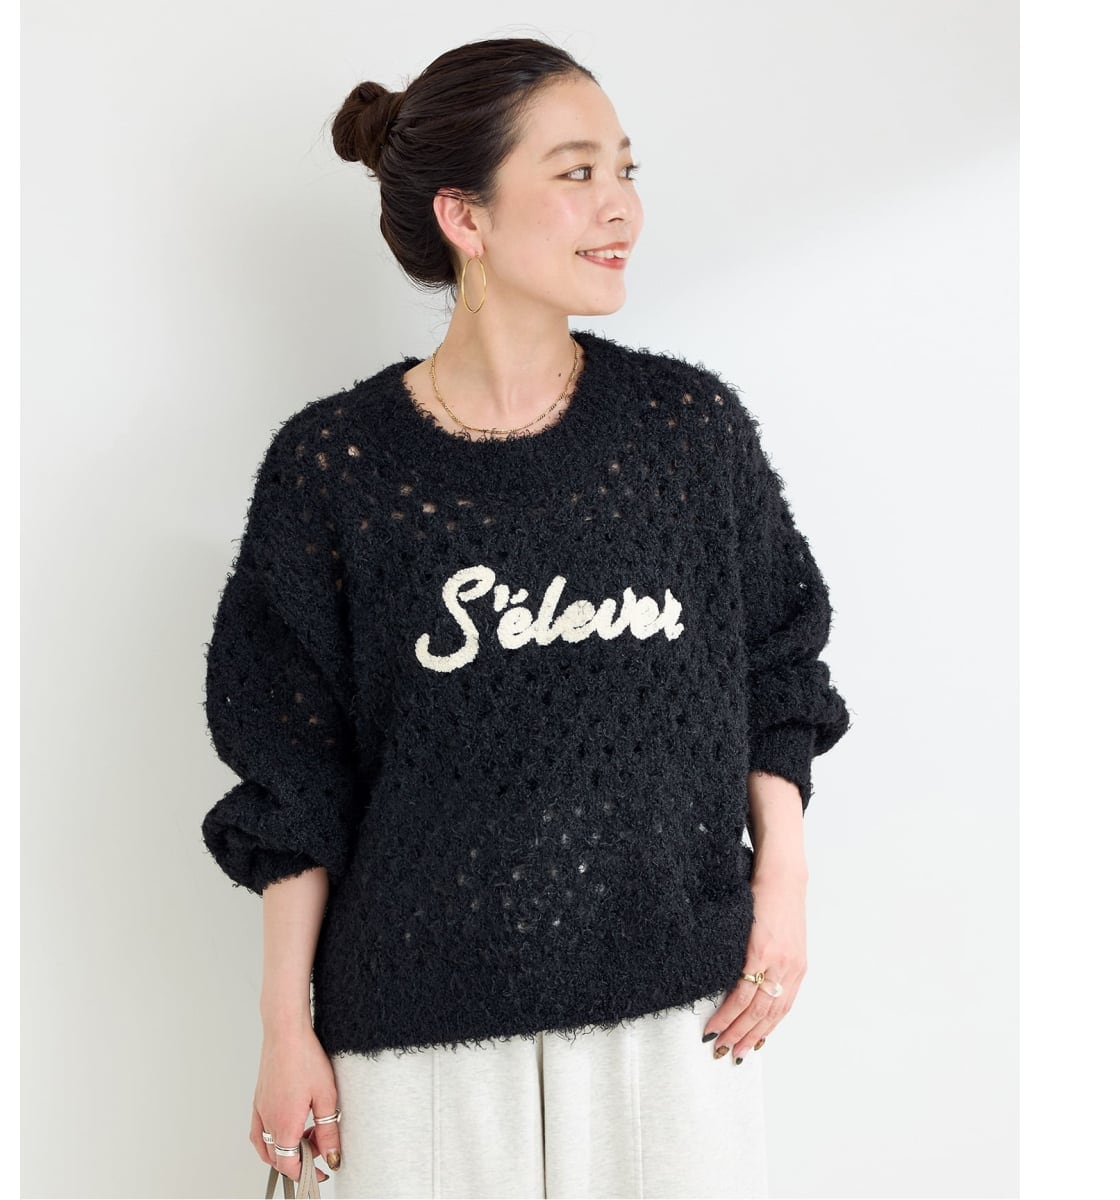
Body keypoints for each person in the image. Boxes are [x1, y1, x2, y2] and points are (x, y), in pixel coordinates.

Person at [201, 36, 852, 1200]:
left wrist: (784, 894)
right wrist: (283, 1028)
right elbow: (295, 776)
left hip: (678, 1017)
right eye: (576, 172)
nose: (621, 207)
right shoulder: (336, 469)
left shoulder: (685, 434)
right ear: (465, 214)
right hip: (418, 1033)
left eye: (626, 169)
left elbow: (779, 666)